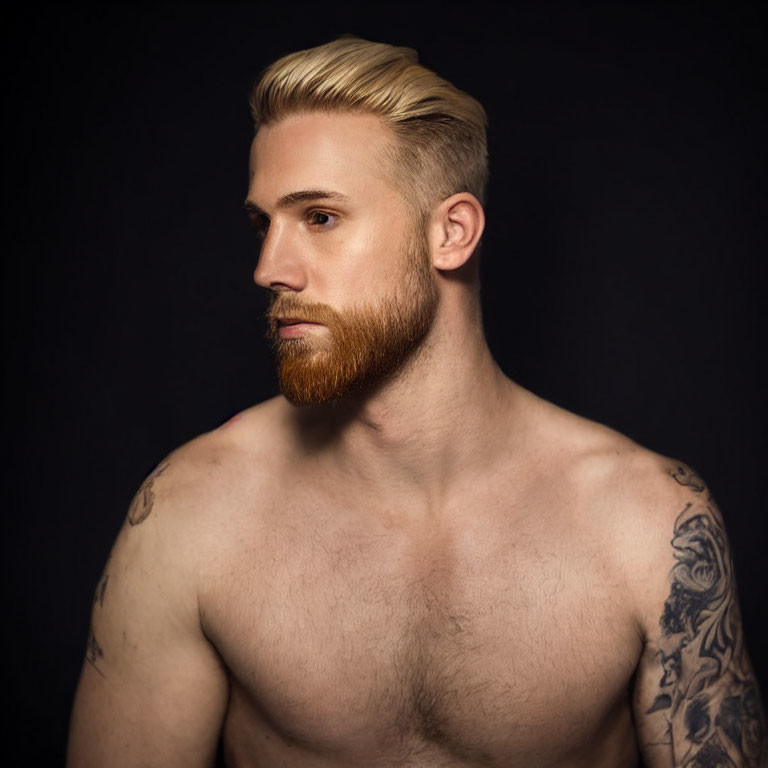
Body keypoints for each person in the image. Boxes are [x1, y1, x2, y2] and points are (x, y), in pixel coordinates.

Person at [66, 36, 765, 767]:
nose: (269, 268)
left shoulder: (649, 527)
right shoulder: (190, 515)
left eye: (321, 218)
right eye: (262, 224)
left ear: (451, 233)